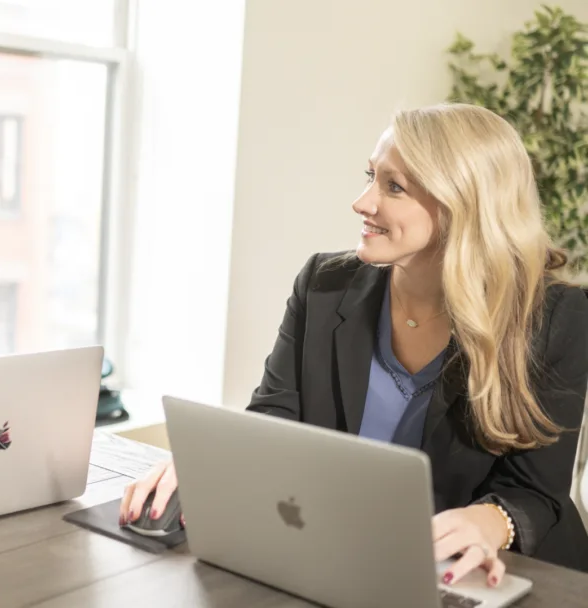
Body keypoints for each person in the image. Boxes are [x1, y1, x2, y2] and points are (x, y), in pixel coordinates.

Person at [121, 103, 588, 583]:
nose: (362, 202)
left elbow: (536, 490)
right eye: (370, 176)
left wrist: (489, 520)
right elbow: (275, 417)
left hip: (502, 575)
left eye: (393, 187)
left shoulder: (554, 316)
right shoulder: (325, 284)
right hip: (350, 554)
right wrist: (212, 464)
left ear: (462, 206)